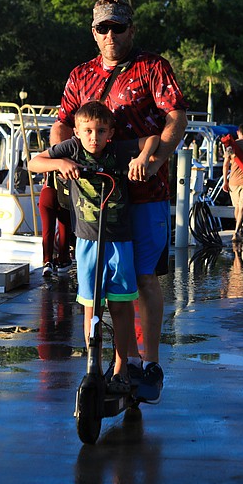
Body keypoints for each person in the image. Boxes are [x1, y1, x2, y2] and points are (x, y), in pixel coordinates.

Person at [51, 0, 188, 403]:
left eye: (118, 27)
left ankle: (149, 363)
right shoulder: (81, 75)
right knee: (98, 285)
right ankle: (107, 363)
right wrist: (60, 166)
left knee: (143, 278)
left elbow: (176, 115)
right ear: (93, 32)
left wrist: (157, 158)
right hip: (97, 197)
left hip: (143, 192)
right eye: (102, 28)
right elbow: (61, 124)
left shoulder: (152, 67)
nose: (110, 35)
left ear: (132, 28)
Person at [29, 101, 159, 394]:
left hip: (119, 241)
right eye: (87, 131)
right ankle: (93, 365)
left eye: (101, 131)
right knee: (91, 305)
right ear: (76, 131)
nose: (94, 137)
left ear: (111, 132)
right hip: (87, 241)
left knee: (122, 303)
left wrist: (143, 158)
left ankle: (121, 365)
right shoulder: (72, 148)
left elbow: (151, 139)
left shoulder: (118, 150)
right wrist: (59, 163)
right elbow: (34, 162)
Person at [38, 169, 73, 277]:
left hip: (47, 192)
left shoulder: (49, 159)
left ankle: (47, 262)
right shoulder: (70, 157)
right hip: (64, 194)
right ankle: (63, 260)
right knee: (64, 228)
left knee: (47, 230)